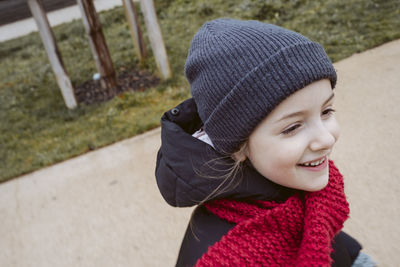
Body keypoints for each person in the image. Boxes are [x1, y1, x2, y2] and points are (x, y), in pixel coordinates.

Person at [155, 18, 375, 266]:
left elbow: (326, 239)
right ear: (237, 147)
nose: (325, 139)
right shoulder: (226, 257)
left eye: (326, 111)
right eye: (292, 127)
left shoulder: (290, 188)